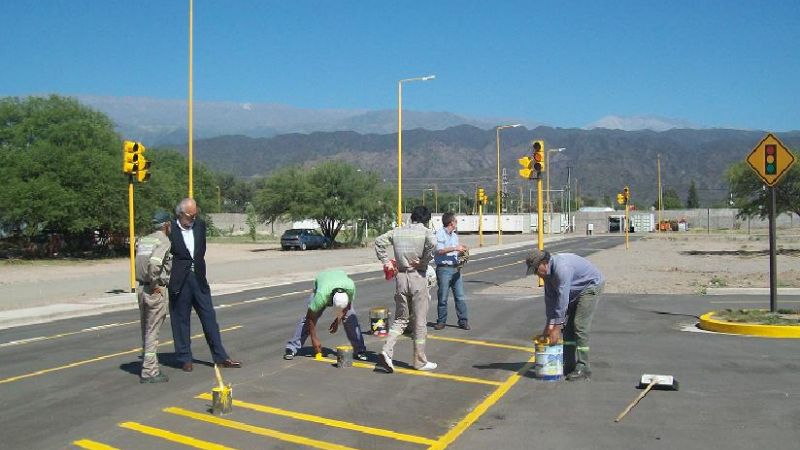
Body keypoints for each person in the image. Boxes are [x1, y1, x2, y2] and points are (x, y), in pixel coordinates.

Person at [168, 198, 241, 372]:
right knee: (181, 320)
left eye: (195, 215)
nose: (193, 218)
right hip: (180, 280)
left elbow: (200, 251)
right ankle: (185, 358)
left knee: (209, 318)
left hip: (199, 279)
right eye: (190, 216)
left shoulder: (200, 226)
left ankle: (221, 357)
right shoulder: (169, 229)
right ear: (180, 214)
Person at [374, 205, 438, 373]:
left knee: (401, 319)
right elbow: (433, 243)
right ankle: (419, 361)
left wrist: (386, 262)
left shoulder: (397, 231)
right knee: (420, 321)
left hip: (401, 277)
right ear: (426, 220)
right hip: (418, 277)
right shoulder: (426, 232)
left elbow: (379, 242)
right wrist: (423, 261)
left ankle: (386, 351)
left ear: (412, 217)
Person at [525, 249, 605, 381]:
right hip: (575, 291)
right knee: (568, 329)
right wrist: (549, 326)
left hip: (590, 286)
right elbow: (551, 301)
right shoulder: (547, 275)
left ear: (544, 263)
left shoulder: (562, 268)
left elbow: (562, 299)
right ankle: (569, 365)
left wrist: (556, 328)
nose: (536, 274)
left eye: (536, 269)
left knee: (579, 325)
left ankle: (584, 367)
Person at [283, 269, 368, 361]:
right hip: (323, 282)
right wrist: (314, 339)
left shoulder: (350, 288)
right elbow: (310, 317)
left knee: (351, 318)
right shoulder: (321, 296)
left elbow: (347, 307)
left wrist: (337, 321)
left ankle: (359, 350)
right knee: (306, 321)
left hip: (338, 278)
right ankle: (292, 348)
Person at [134, 210, 172, 383]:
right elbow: (155, 264)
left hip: (141, 287)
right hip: (153, 289)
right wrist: (155, 284)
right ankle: (150, 372)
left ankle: (149, 364)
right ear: (166, 225)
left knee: (146, 329)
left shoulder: (144, 240)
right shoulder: (163, 241)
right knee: (152, 331)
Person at [433, 212, 469, 330]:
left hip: (455, 268)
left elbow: (455, 251)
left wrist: (462, 251)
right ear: (451, 223)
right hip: (444, 269)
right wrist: (455, 248)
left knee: (460, 296)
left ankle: (463, 321)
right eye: (455, 221)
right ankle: (441, 321)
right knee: (443, 297)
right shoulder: (440, 234)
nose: (457, 223)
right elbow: (439, 251)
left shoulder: (454, 236)